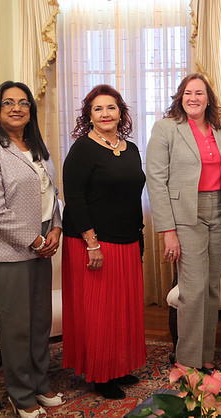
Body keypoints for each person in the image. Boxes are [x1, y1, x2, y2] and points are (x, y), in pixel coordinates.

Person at [0, 81, 64, 417]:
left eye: (23, 102)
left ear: (30, 111)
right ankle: (21, 394)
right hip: (6, 251)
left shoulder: (37, 146)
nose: (17, 108)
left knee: (39, 322)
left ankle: (40, 383)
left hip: (42, 244)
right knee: (16, 327)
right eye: (8, 102)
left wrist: (56, 228)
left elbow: (52, 194)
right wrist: (34, 240)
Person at [147, 73, 221, 372]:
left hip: (219, 212)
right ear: (180, 97)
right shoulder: (166, 128)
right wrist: (168, 231)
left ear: (208, 99)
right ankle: (187, 362)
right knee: (193, 290)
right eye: (188, 93)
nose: (193, 98)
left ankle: (206, 356)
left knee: (212, 288)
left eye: (199, 93)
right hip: (185, 215)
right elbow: (156, 181)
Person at [61, 84, 146, 399]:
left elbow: (132, 196)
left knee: (123, 310)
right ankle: (100, 375)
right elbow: (74, 198)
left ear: (121, 113)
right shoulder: (82, 150)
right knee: (100, 312)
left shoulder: (131, 149)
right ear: (89, 115)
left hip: (127, 239)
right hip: (92, 242)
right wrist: (91, 242)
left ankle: (119, 367)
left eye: (111, 107)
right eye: (98, 109)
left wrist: (139, 236)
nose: (105, 113)